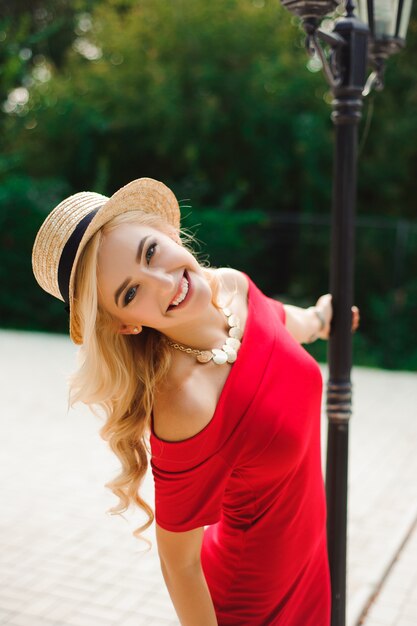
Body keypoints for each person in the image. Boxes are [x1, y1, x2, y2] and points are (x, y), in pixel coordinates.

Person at [32, 177, 359, 626]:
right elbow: (179, 563)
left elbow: (288, 323)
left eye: (149, 252)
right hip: (254, 602)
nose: (162, 282)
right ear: (125, 324)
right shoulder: (184, 403)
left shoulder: (235, 287)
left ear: (164, 231)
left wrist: (325, 318)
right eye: (131, 292)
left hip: (311, 564)